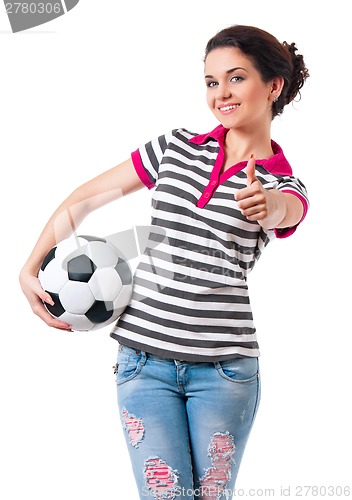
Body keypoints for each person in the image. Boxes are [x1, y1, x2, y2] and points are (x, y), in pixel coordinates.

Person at [19, 24, 309, 499]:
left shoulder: (280, 183)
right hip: (143, 364)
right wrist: (29, 268)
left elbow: (287, 212)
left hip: (224, 373)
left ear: (273, 85)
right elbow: (85, 199)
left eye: (236, 78)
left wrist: (268, 205)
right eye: (212, 82)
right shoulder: (175, 147)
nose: (221, 94)